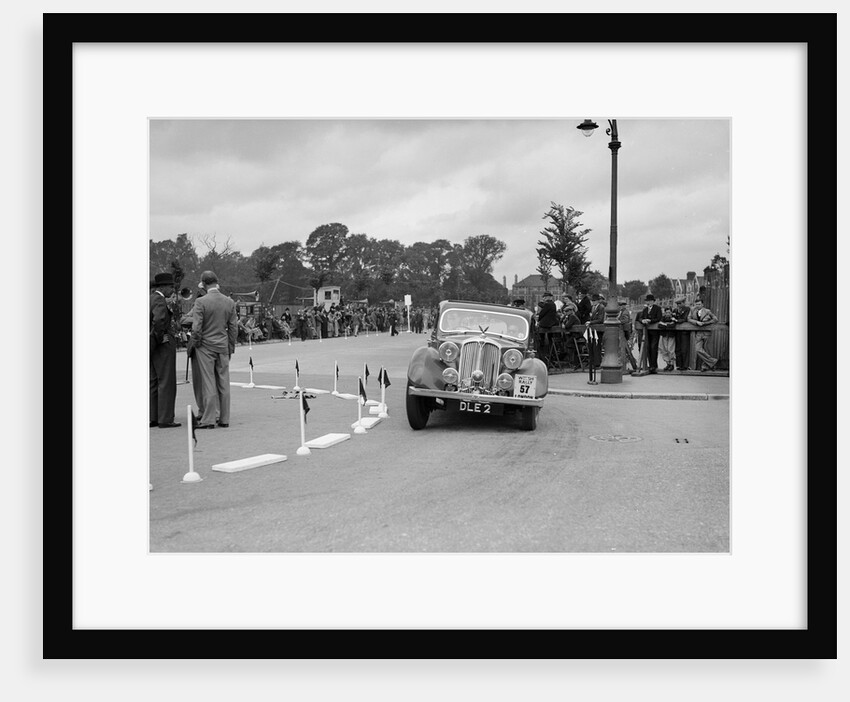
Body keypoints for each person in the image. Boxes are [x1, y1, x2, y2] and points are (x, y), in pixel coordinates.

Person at [191, 270, 238, 428]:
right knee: (224, 381)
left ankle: (209, 419)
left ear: (203, 283)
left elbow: (196, 327)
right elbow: (233, 328)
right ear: (216, 282)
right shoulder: (229, 302)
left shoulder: (201, 302)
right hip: (223, 344)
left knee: (208, 381)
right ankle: (225, 419)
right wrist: (230, 346)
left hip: (206, 345)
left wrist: (196, 342)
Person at [150, 272, 181, 428]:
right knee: (166, 382)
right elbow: (159, 321)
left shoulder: (150, 298)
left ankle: (153, 416)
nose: (172, 290)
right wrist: (160, 337)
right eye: (171, 286)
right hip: (162, 345)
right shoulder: (159, 300)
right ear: (164, 287)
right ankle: (165, 418)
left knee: (153, 381)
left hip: (152, 345)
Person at [688, 298, 719, 371]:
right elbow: (688, 319)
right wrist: (696, 322)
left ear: (702, 304)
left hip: (706, 333)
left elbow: (715, 319)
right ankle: (713, 361)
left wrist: (705, 323)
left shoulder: (707, 311)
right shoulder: (692, 310)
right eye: (696, 304)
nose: (697, 306)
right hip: (698, 333)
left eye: (699, 304)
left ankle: (705, 366)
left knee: (706, 350)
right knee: (698, 349)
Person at [639, 293, 663, 373]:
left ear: (653, 301)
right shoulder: (645, 309)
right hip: (647, 331)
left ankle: (654, 365)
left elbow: (659, 318)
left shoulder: (657, 308)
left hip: (655, 331)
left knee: (654, 347)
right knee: (648, 347)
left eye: (649, 301)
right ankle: (650, 365)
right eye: (647, 301)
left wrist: (650, 320)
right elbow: (640, 317)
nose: (648, 302)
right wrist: (642, 320)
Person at [672, 297, 691, 370]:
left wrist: (676, 320)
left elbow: (685, 319)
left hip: (684, 331)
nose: (678, 305)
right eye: (677, 304)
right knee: (678, 349)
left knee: (684, 348)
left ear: (683, 303)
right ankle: (679, 365)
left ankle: (685, 365)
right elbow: (672, 317)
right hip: (677, 331)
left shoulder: (687, 309)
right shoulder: (675, 310)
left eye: (680, 303)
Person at [657, 305, 678, 371]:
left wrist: (665, 325)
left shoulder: (674, 318)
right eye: (666, 312)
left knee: (670, 349)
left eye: (669, 312)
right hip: (664, 335)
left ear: (671, 312)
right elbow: (659, 325)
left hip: (671, 335)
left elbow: (673, 325)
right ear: (665, 313)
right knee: (664, 349)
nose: (668, 314)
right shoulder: (663, 318)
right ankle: (667, 363)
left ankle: (672, 364)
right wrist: (667, 325)